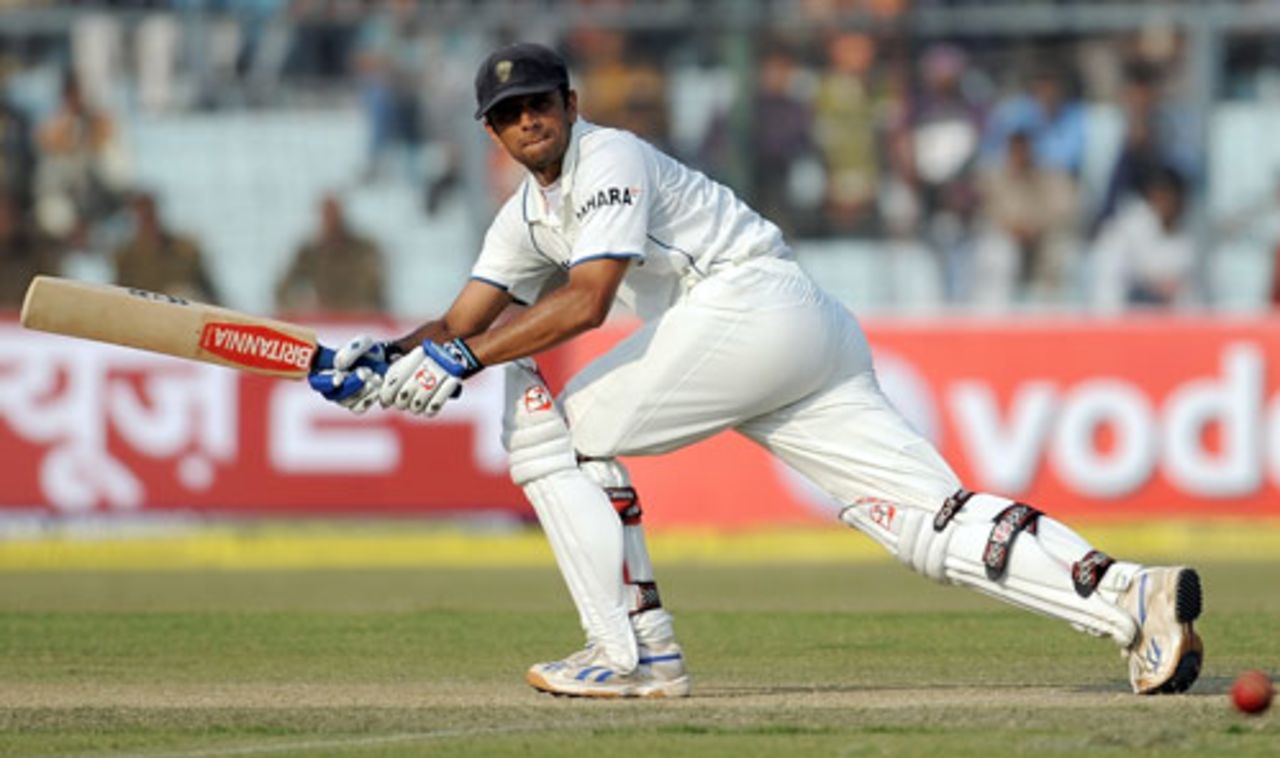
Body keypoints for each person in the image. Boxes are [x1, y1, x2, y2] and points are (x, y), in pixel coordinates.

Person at [309, 42, 1204, 699]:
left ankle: (633, 654)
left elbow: (582, 304)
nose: (526, 121)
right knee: (923, 527)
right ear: (491, 132)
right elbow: (463, 318)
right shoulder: (524, 217)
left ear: (571, 104)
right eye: (507, 115)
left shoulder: (608, 156)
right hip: (794, 333)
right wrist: (382, 357)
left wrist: (456, 359)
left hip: (749, 307)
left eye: (539, 102)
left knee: (557, 433)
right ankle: (1133, 597)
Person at [275, 192, 386, 314]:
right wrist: (299, 305)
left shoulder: (363, 250)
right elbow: (283, 289)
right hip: (325, 320)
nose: (331, 220)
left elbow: (376, 289)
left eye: (334, 214)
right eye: (327, 215)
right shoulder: (310, 253)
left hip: (357, 318)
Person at [112, 191, 219, 304]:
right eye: (141, 216)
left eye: (149, 215)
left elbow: (209, 292)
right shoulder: (127, 258)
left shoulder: (185, 251)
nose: (146, 221)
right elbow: (119, 296)